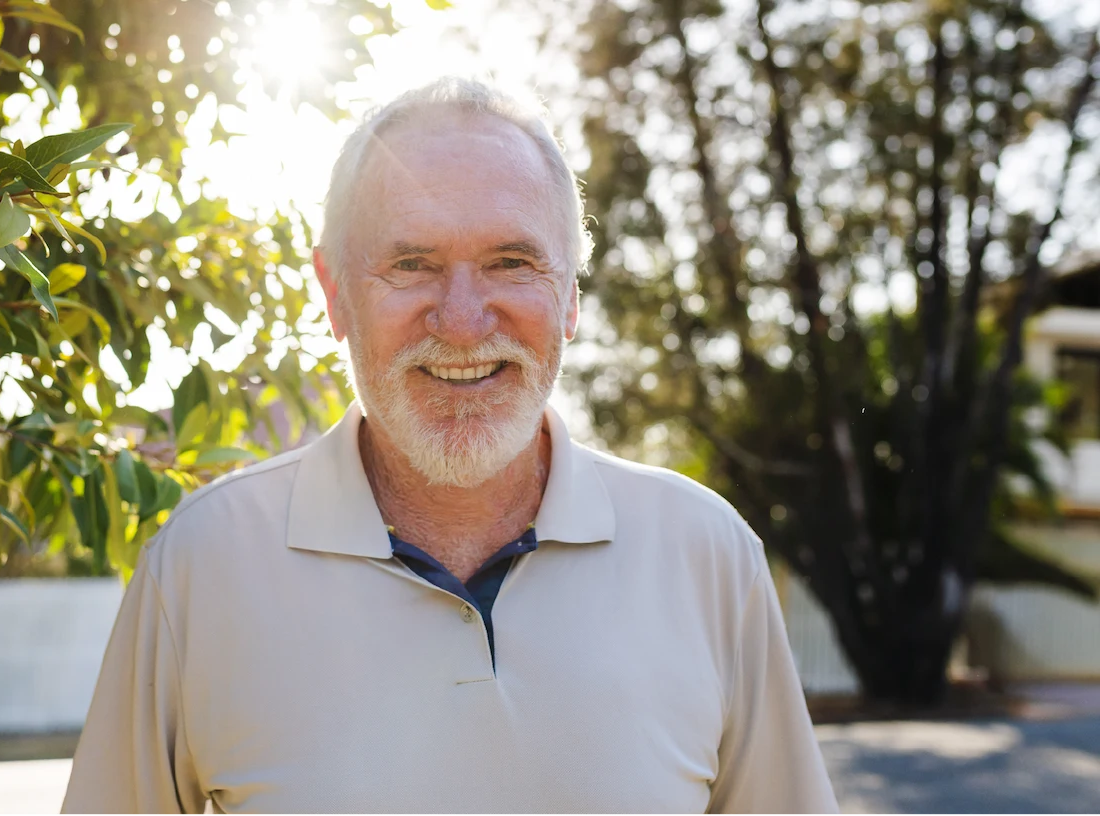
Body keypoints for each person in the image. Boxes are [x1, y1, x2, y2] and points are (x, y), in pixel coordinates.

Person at [61, 77, 839, 816]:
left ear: (570, 295)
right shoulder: (200, 566)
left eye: (512, 262)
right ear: (334, 296)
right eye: (411, 265)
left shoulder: (708, 558)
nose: (463, 321)